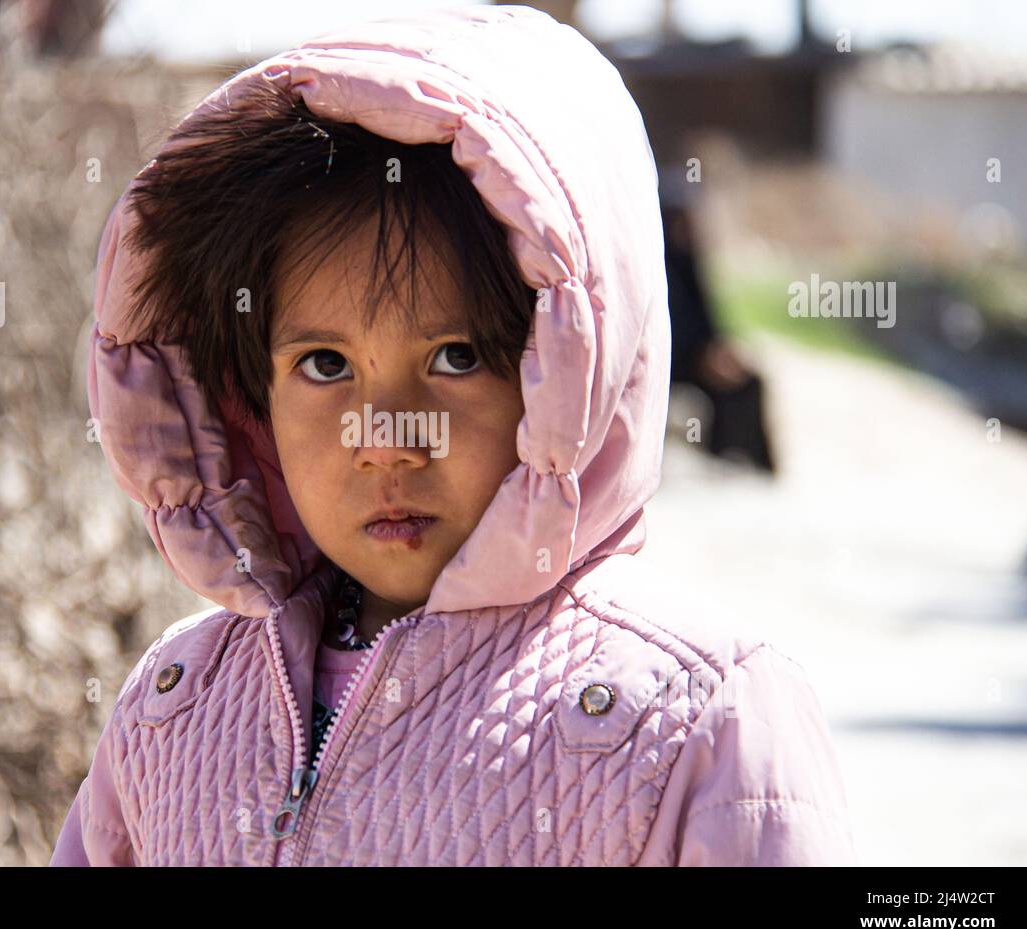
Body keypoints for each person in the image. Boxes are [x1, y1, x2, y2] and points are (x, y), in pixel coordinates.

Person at [49, 5, 855, 866]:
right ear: (247, 394)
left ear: (571, 368)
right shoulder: (175, 708)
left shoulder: (689, 723)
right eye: (325, 365)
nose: (387, 437)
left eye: (456, 355)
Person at [662, 197, 778, 471]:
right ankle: (721, 457)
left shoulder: (691, 264)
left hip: (701, 354)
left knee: (750, 379)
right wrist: (701, 355)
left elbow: (708, 316)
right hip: (672, 362)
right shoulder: (661, 267)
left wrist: (721, 348)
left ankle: (746, 459)